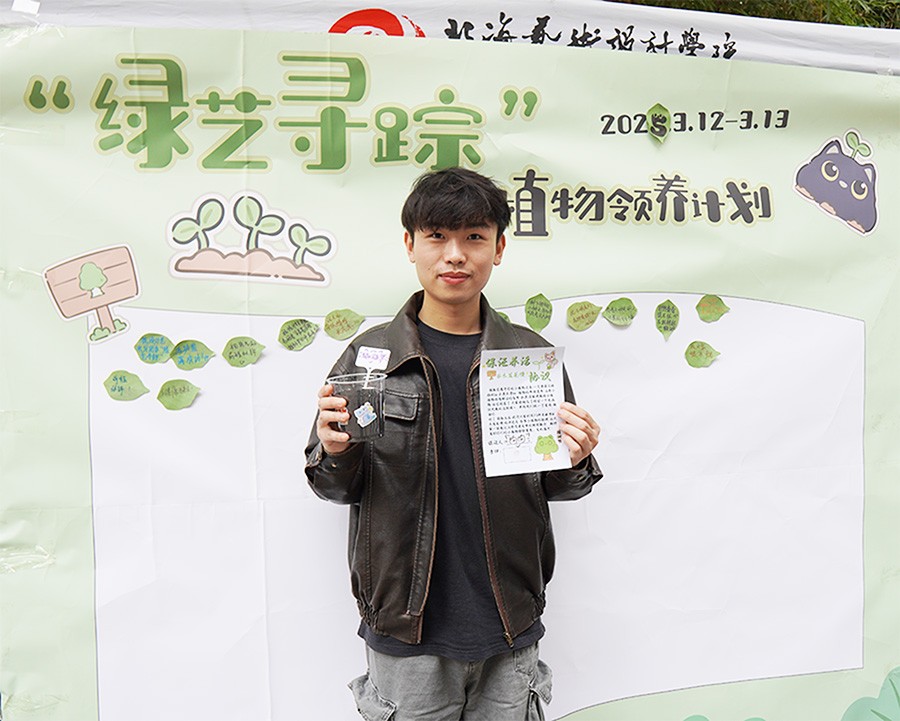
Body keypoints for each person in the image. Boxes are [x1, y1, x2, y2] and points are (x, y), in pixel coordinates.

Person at [305, 167, 602, 721]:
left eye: (474, 237)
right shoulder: (370, 358)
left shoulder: (527, 357)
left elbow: (559, 485)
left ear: (499, 248)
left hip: (509, 620)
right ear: (410, 245)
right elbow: (334, 488)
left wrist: (576, 457)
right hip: (405, 625)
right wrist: (335, 451)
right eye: (437, 236)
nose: (455, 255)